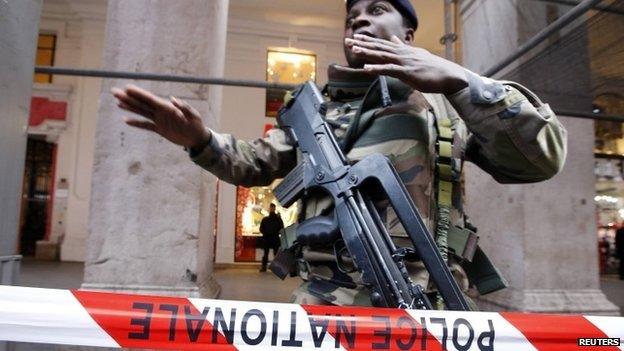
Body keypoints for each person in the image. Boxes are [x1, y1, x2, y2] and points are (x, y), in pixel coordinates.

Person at [111, 0, 567, 307]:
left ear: (408, 33)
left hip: (424, 297)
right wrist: (201, 140)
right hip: (324, 300)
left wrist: (459, 79)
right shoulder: (315, 109)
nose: (358, 18)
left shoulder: (450, 100)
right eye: (352, 13)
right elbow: (255, 162)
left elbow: (541, 158)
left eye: (377, 9)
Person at [259, 203, 284, 272]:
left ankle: (275, 268)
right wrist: (266, 233)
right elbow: (261, 229)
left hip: (274, 238)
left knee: (275, 253)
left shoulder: (277, 219)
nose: (272, 209)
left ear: (274, 208)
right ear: (270, 209)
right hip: (268, 238)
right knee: (266, 253)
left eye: (272, 208)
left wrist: (276, 233)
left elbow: (281, 228)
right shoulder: (265, 219)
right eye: (271, 208)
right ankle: (264, 267)